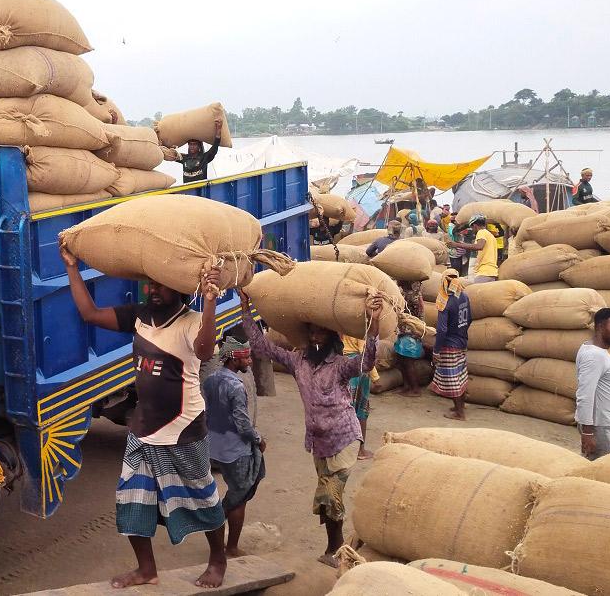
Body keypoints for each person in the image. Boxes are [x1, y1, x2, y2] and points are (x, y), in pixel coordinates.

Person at [61, 248, 227, 589]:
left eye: (160, 286)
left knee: (203, 498)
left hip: (183, 430)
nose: (152, 291)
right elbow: (89, 314)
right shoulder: (138, 316)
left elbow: (206, 350)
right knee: (132, 502)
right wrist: (72, 268)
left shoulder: (191, 322)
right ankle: (146, 570)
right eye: (149, 285)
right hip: (143, 430)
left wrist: (209, 302)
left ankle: (218, 559)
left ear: (179, 290)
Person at [238, 290, 382, 568]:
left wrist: (373, 325)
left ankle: (336, 550)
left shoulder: (340, 366)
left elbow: (367, 363)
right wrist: (246, 311)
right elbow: (262, 347)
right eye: (312, 333)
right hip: (318, 441)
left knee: (331, 495)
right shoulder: (298, 361)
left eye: (321, 334)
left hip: (344, 438)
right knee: (327, 499)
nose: (315, 338)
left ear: (332, 339)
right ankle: (337, 547)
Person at [202, 336, 265, 559]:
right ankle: (230, 547)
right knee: (240, 497)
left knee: (235, 492)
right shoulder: (236, 386)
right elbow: (243, 423)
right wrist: (258, 439)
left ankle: (217, 526)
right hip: (236, 450)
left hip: (214, 448)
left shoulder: (210, 380)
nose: (249, 361)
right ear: (233, 358)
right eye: (246, 357)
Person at [575, 308, 610, 459]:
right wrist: (588, 432)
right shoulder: (594, 355)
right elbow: (585, 395)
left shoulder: (598, 351)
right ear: (600, 327)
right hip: (600, 427)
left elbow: (603, 390)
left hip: (605, 423)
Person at [432, 270, 471, 420]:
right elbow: (470, 319)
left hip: (449, 344)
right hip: (462, 340)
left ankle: (460, 413)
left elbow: (441, 329)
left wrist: (436, 350)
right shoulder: (464, 296)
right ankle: (458, 406)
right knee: (460, 375)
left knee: (452, 378)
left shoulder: (444, 300)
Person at [343, 335, 377, 460]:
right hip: (357, 368)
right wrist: (375, 377)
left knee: (343, 408)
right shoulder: (360, 327)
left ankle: (342, 448)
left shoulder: (338, 324)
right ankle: (360, 450)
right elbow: (364, 353)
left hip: (341, 364)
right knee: (361, 410)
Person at [393, 279, 425, 397]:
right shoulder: (404, 293)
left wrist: (419, 330)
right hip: (403, 331)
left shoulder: (414, 295)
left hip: (411, 332)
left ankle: (415, 389)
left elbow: (421, 312)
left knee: (408, 362)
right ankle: (406, 386)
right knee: (401, 361)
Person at [446, 215, 497, 283]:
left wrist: (456, 245)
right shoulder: (489, 234)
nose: (472, 230)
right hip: (490, 271)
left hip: (485, 271)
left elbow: (479, 246)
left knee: (473, 291)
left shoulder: (481, 232)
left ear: (475, 225)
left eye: (472, 227)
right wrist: (461, 244)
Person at [173, 117, 223, 183]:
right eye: (190, 144)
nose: (192, 146)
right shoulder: (183, 158)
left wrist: (218, 129)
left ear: (199, 146)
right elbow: (170, 155)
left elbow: (215, 146)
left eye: (195, 144)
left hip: (201, 190)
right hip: (186, 190)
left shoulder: (205, 157)